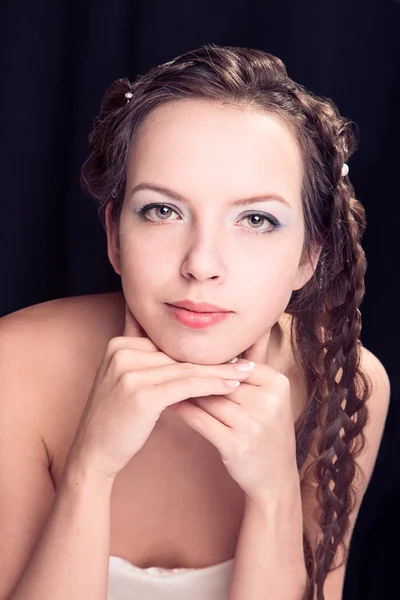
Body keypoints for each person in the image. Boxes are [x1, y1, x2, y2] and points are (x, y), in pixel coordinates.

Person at [0, 44, 390, 600]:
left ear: (310, 254)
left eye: (256, 219)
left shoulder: (347, 384)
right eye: (163, 210)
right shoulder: (15, 366)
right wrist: (91, 470)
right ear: (115, 235)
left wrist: (273, 493)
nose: (201, 264)